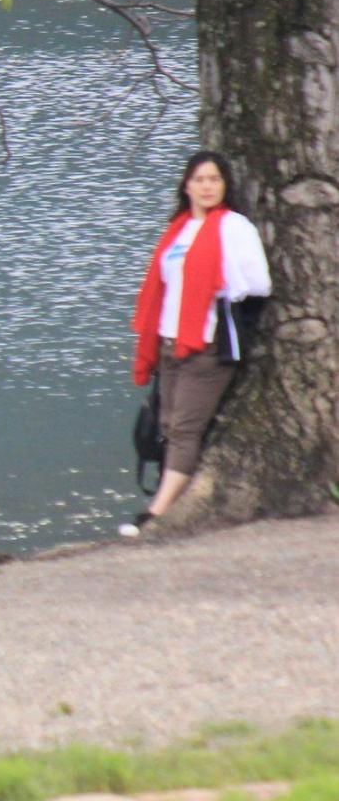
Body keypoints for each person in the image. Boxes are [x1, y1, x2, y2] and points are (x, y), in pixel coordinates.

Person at [122, 151, 271, 536]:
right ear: (186, 185)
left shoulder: (234, 227)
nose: (207, 186)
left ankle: (155, 514)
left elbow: (258, 285)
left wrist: (223, 283)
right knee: (169, 425)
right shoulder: (179, 229)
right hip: (171, 342)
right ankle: (174, 499)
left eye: (215, 180)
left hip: (207, 344)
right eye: (200, 179)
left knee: (186, 428)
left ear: (224, 186)